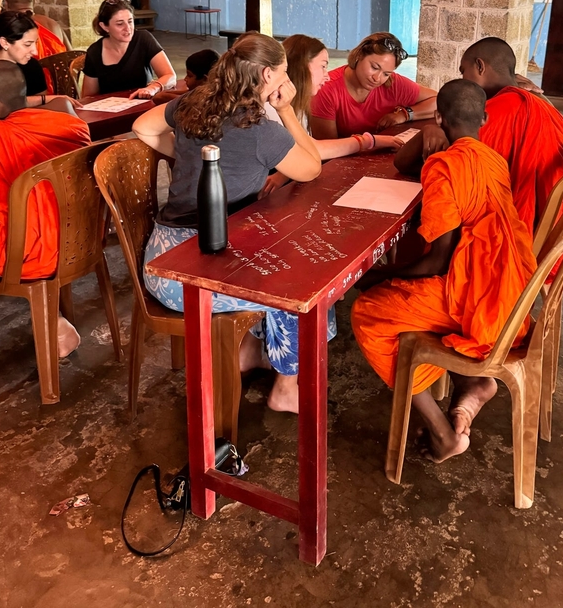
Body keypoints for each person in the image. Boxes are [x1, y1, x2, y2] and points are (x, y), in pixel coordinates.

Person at [133, 32, 327, 414]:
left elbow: (143, 127)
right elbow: (311, 168)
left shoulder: (194, 102)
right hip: (195, 276)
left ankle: (249, 351)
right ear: (268, 76)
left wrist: (198, 158)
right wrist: (287, 111)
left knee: (270, 254)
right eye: (284, 73)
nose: (288, 81)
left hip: (162, 258)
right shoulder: (260, 130)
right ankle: (287, 386)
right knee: (304, 285)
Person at [352, 79, 536, 464]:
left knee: (369, 311)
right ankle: (472, 382)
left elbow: (438, 260)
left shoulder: (443, 166)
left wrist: (382, 276)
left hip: (477, 301)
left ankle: (441, 431)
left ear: (438, 117)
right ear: (484, 119)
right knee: (398, 289)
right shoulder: (493, 158)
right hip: (514, 292)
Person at [394, 37, 563, 235]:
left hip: (512, 231)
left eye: (464, 71)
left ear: (480, 66)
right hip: (558, 221)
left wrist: (429, 129)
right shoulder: (543, 104)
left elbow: (406, 163)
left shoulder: (496, 112)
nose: (463, 79)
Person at [0, 61, 91, 354]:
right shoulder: (71, 123)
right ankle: (51, 317)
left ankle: (51, 318)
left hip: (29, 257)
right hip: (83, 240)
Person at [260, 35, 405, 197]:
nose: (327, 75)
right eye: (323, 67)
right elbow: (313, 157)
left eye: (386, 73)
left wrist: (373, 139)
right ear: (302, 67)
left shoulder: (296, 106)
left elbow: (306, 147)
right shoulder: (271, 111)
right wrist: (370, 141)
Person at [310, 31, 437, 139]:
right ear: (359, 55)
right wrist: (371, 143)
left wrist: (405, 114)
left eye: (386, 73)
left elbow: (440, 101)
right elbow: (327, 149)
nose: (377, 78)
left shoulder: (392, 83)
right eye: (374, 67)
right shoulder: (326, 88)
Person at [82, 0, 176, 100]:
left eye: (130, 21)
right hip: (112, 111)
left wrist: (153, 88)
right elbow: (88, 97)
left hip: (143, 106)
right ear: (105, 26)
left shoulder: (143, 39)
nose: (128, 28)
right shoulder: (95, 52)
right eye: (120, 24)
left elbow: (170, 76)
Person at [0, 11, 75, 109]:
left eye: (35, 43)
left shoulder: (32, 67)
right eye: (27, 44)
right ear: (5, 42)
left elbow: (40, 106)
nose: (35, 52)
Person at [3, 0, 72, 55]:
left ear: (6, 4)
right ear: (34, 1)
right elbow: (72, 56)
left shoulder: (9, 28)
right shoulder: (53, 24)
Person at [152, 48, 220, 106]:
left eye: (189, 76)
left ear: (205, 79)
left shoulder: (203, 102)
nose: (185, 79)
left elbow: (159, 97)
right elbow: (187, 92)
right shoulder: (204, 91)